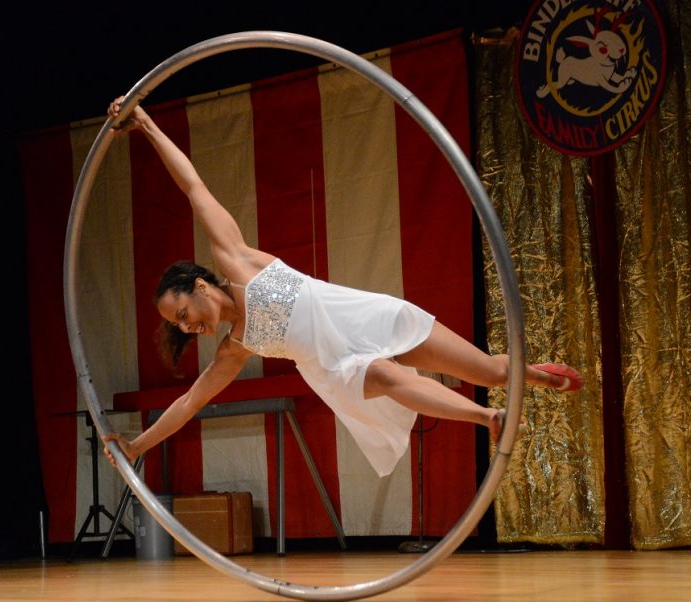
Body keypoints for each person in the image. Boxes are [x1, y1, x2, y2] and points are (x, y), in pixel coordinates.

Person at [101, 97, 583, 477]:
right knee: (392, 379)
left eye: (182, 313)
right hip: (337, 367)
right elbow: (188, 404)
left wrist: (144, 123)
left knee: (492, 371)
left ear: (201, 285)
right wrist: (137, 446)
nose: (189, 327)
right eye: (179, 326)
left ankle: (538, 376)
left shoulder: (237, 260)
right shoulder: (235, 348)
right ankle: (488, 419)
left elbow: (193, 187)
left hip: (365, 316)